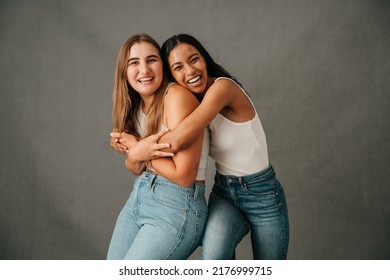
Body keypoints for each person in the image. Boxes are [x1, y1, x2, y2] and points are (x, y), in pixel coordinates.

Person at [111, 34, 289, 260]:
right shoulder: (189, 97)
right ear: (171, 74)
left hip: (262, 192)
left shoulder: (222, 89)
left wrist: (136, 147)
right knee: (213, 261)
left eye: (194, 60)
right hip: (225, 192)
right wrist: (134, 151)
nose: (190, 71)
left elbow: (175, 142)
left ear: (204, 60)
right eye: (178, 67)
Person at [106, 34, 209, 260]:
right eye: (134, 62)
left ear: (162, 64)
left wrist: (138, 148)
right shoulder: (136, 106)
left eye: (151, 60)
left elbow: (183, 177)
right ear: (124, 71)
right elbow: (135, 167)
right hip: (140, 196)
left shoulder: (176, 97)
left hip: (177, 204)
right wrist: (135, 153)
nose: (144, 69)